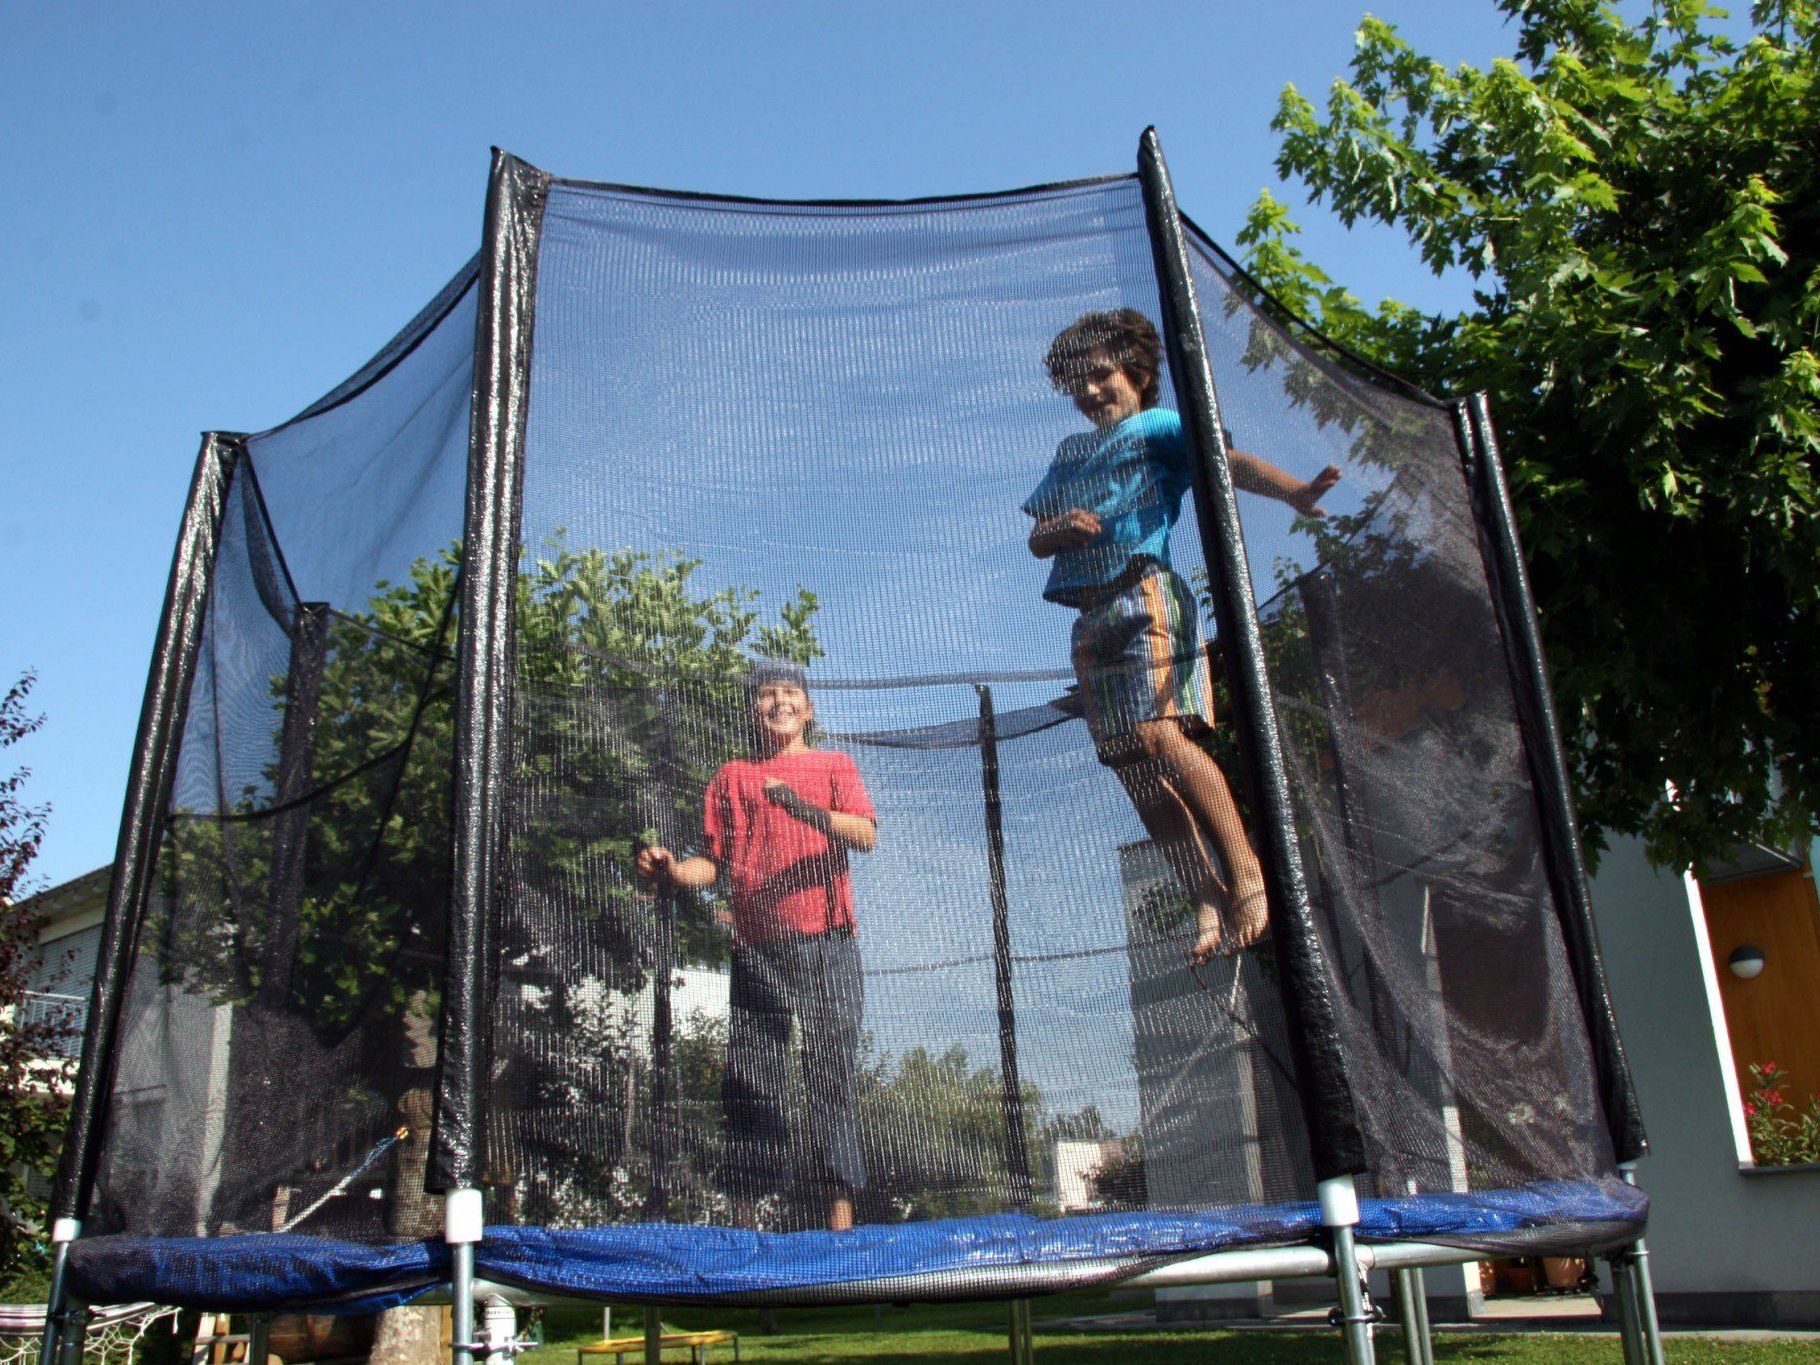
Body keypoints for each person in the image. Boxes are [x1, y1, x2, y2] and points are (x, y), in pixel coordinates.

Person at [1023, 309, 1339, 962]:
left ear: (1134, 371)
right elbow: (1036, 535)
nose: (1088, 391)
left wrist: (1295, 494)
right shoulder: (1070, 453)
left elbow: (1229, 465)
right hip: (1088, 618)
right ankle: (1205, 890)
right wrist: (1061, 530)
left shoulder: (1158, 425)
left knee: (1158, 736)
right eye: (1075, 381)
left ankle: (1245, 866)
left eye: (1100, 374)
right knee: (1128, 763)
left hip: (1145, 594)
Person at [635, 660, 876, 1231]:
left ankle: (839, 1223)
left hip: (828, 941)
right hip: (758, 948)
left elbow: (866, 835)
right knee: (751, 1076)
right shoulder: (731, 777)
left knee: (830, 1074)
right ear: (753, 709)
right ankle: (746, 1225)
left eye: (790, 693)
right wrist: (670, 870)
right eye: (767, 695)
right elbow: (710, 865)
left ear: (808, 709)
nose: (779, 702)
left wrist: (801, 807)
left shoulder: (833, 764)